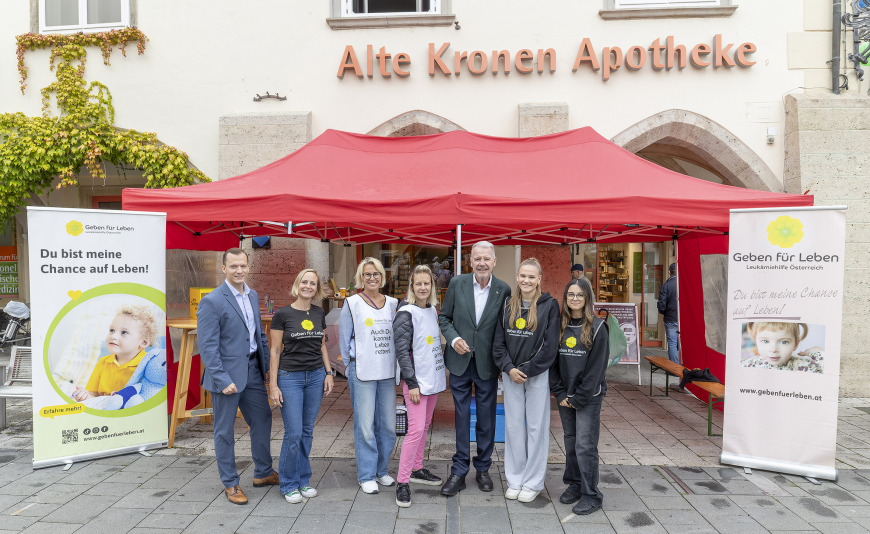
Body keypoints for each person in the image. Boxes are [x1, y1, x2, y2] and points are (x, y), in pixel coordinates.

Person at [197, 248, 277, 505]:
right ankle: (230, 483)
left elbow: (258, 334)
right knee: (224, 431)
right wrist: (221, 379)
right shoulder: (212, 300)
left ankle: (263, 472)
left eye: (243, 266)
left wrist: (266, 368)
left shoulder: (252, 295)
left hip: (252, 371)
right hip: (227, 378)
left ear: (248, 266)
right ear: (224, 269)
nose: (239, 271)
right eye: (233, 267)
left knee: (263, 419)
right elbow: (207, 347)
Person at [438, 241, 511, 496]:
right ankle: (459, 471)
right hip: (459, 362)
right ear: (470, 261)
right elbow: (444, 318)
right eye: (477, 258)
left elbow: (505, 328)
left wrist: (505, 360)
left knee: (486, 419)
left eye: (486, 259)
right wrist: (455, 339)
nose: (482, 263)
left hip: (487, 364)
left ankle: (483, 468)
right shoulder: (457, 284)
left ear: (494, 262)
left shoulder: (504, 289)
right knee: (460, 418)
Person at [492, 258, 560, 503]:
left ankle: (533, 482)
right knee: (513, 428)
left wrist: (528, 370)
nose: (527, 281)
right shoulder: (508, 304)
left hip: (536, 376)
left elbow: (551, 346)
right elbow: (498, 343)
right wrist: (509, 369)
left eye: (532, 277)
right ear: (517, 276)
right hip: (511, 376)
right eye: (523, 276)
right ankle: (515, 479)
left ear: (539, 278)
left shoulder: (550, 305)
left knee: (535, 428)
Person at [269, 269, 336, 504]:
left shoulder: (319, 312)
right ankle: (288, 483)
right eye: (304, 282)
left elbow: (321, 345)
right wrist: (273, 385)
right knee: (293, 433)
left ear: (316, 289)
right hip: (290, 378)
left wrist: (329, 372)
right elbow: (275, 351)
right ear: (298, 284)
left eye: (312, 283)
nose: (308, 286)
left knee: (307, 432)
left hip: (316, 376)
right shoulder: (282, 314)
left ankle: (303, 479)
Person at [550, 277, 610, 516]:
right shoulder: (559, 325)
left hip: (588, 396)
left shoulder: (598, 327)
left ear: (587, 298)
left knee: (586, 445)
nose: (574, 299)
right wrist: (561, 392)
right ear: (565, 298)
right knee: (571, 441)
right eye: (570, 295)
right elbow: (552, 362)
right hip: (566, 396)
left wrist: (579, 397)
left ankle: (591, 495)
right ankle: (575, 484)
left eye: (580, 295)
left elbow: (597, 369)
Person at [339, 257, 399, 494]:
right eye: (367, 274)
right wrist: (348, 368)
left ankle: (381, 470)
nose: (372, 278)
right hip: (362, 371)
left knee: (388, 426)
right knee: (365, 426)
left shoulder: (394, 304)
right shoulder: (352, 303)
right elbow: (344, 341)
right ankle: (366, 475)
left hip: (386, 372)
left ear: (382, 277)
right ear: (360, 278)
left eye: (376, 274)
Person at [393, 265, 447, 508]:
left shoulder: (433, 310)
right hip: (416, 383)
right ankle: (402, 482)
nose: (423, 287)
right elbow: (402, 352)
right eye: (418, 284)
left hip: (432, 380)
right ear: (412, 287)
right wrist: (411, 383)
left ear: (432, 287)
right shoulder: (406, 312)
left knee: (424, 427)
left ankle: (417, 469)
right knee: (414, 431)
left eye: (427, 283)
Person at [74, 304, 158, 401]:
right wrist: (84, 396)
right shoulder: (103, 362)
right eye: (112, 330)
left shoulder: (149, 365)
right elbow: (93, 396)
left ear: (144, 342)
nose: (113, 336)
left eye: (124, 332)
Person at [741, 322, 823, 372]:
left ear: (796, 344)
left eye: (784, 342)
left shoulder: (806, 367)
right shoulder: (748, 365)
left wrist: (817, 353)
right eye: (765, 341)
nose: (773, 350)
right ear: (756, 342)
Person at [658, 263, 679, 364]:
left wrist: (664, 312)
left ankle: (674, 366)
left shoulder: (666, 285)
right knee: (683, 342)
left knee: (672, 343)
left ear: (669, 272)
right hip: (682, 319)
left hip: (670, 318)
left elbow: (661, 303)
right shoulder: (684, 283)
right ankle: (684, 364)